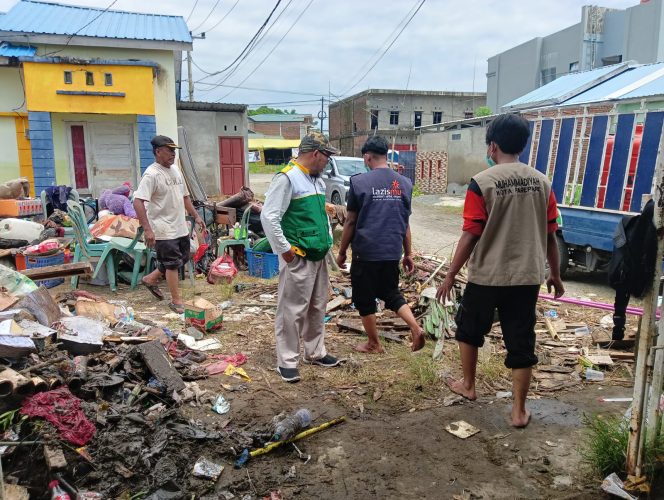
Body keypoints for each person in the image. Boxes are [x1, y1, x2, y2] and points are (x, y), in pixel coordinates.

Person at [436, 114, 564, 428]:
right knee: (521, 341)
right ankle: (519, 411)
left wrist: (451, 274)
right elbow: (551, 234)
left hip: (487, 275)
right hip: (526, 277)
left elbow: (471, 233)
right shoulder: (542, 182)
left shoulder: (482, 183)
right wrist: (555, 274)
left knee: (469, 329)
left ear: (493, 146)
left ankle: (468, 386)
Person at [261, 131, 342, 383]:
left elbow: (321, 216)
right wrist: (285, 250)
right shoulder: (288, 179)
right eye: (327, 156)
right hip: (299, 255)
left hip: (318, 255)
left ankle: (315, 352)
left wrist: (328, 241)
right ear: (315, 153)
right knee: (292, 310)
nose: (328, 162)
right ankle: (286, 361)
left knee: (317, 306)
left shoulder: (316, 181)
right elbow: (269, 216)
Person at [336, 135, 425, 354]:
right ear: (386, 156)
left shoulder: (359, 183)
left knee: (364, 298)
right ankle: (415, 326)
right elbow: (405, 223)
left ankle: (374, 344)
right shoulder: (404, 184)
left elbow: (351, 221)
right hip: (391, 251)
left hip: (366, 252)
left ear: (367, 157)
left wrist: (341, 252)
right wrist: (408, 254)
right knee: (391, 292)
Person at [133, 135, 204, 314]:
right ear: (158, 152)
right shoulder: (152, 174)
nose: (173, 154)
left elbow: (185, 196)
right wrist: (148, 229)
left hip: (180, 225)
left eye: (174, 150)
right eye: (169, 150)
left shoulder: (176, 171)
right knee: (172, 264)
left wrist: (196, 216)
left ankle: (151, 278)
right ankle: (176, 301)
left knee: (185, 255)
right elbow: (138, 202)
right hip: (163, 227)